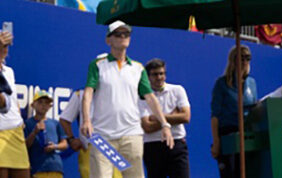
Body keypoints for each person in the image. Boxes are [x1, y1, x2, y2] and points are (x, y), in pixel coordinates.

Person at [80, 22, 173, 178]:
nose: (123, 37)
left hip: (131, 135)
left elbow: (150, 98)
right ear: (108, 40)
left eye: (126, 34)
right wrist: (87, 120)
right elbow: (88, 93)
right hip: (102, 135)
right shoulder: (97, 65)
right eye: (118, 34)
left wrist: (164, 124)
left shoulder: (138, 68)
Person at [210, 45, 256, 178]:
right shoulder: (222, 84)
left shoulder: (251, 83)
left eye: (248, 58)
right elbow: (215, 115)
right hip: (228, 133)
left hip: (246, 134)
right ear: (233, 60)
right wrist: (216, 142)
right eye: (241, 58)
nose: (245, 61)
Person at [139, 59, 190, 178]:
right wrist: (174, 117)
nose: (159, 77)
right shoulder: (141, 96)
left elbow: (186, 117)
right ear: (148, 76)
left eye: (162, 73)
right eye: (155, 74)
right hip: (152, 146)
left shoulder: (177, 90)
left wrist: (156, 117)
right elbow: (147, 126)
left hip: (176, 142)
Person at [0, 30, 30, 178]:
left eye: (6, 46)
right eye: (1, 46)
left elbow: (12, 99)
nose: (4, 50)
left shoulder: (9, 71)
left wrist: (19, 117)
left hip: (16, 132)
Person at [23, 91, 65, 178]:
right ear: (33, 105)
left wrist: (55, 146)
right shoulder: (27, 123)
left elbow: (65, 144)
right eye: (40, 102)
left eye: (46, 103)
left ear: (50, 106)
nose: (43, 105)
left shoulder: (55, 123)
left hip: (55, 167)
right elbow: (24, 146)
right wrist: (34, 132)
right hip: (38, 168)